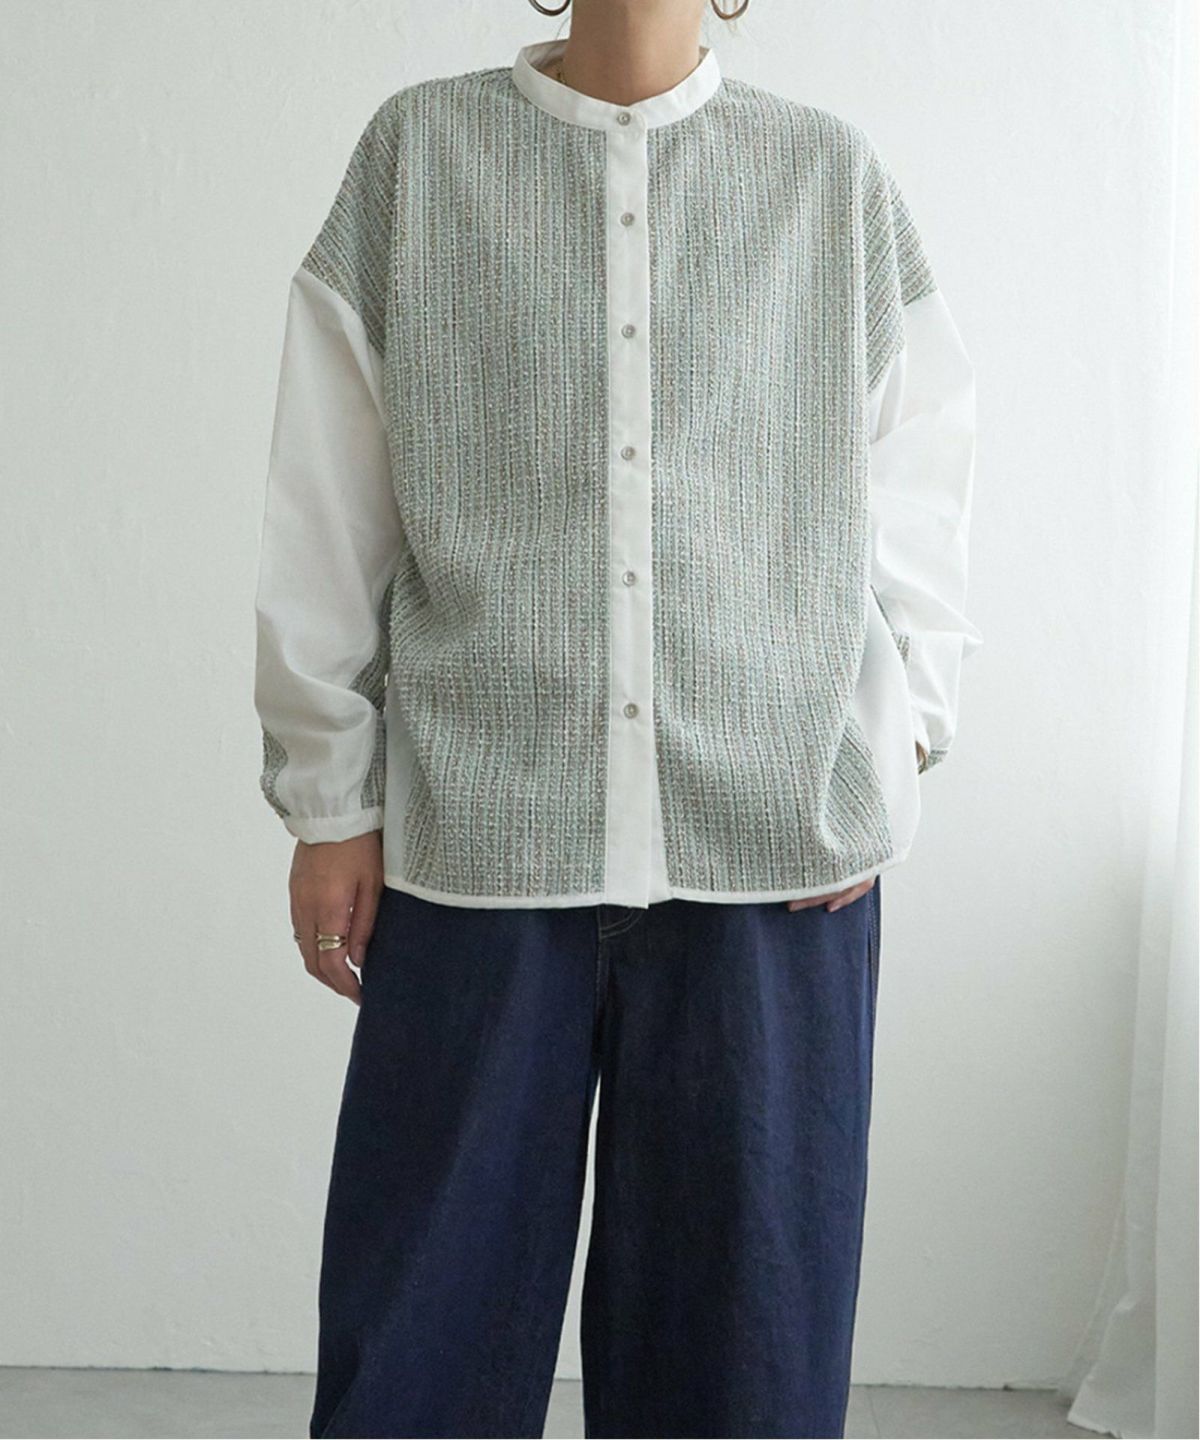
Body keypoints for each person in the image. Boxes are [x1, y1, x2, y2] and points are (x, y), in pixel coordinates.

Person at [252, 0, 981, 1434]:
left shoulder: (829, 180)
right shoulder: (418, 158)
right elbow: (327, 505)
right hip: (475, 838)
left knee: (746, 1367)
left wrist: (889, 752)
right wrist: (330, 798)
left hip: (770, 858)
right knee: (420, 1347)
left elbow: (919, 498)